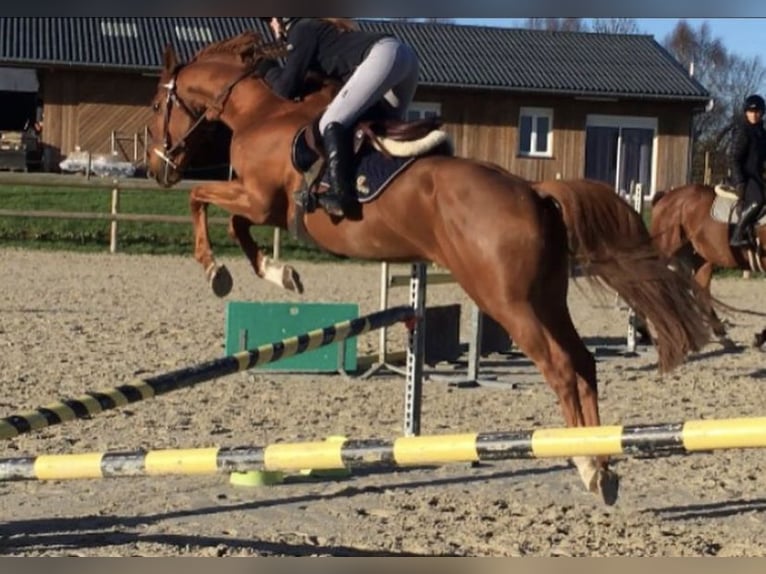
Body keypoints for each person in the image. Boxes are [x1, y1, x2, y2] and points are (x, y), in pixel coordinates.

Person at [259, 18, 420, 217]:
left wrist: (268, 70)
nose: (271, 26)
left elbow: (286, 89)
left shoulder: (302, 29)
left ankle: (340, 194)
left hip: (382, 56)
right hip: (404, 57)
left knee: (330, 122)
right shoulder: (318, 28)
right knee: (379, 128)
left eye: (269, 20)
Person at [728, 93, 766, 247]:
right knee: (758, 200)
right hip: (745, 177)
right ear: (746, 112)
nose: (754, 115)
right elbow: (733, 158)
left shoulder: (762, 134)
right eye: (751, 111)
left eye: (757, 112)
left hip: (757, 176)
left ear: (762, 113)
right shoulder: (743, 131)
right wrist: (740, 182)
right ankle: (737, 234)